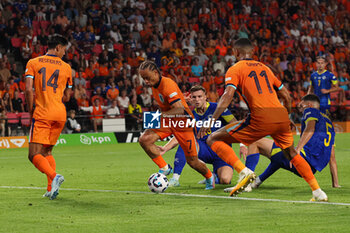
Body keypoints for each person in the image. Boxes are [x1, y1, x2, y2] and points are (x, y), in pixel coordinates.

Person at [199, 38, 328, 201]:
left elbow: (227, 95)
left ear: (235, 52)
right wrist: (287, 116)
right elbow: (286, 96)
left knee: (213, 138)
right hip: (280, 116)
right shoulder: (266, 68)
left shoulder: (235, 69)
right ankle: (318, 191)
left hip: (260, 117)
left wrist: (211, 120)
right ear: (252, 52)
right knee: (292, 153)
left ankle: (244, 172)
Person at [138, 60, 215, 190]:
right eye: (143, 78)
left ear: (156, 73)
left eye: (147, 78)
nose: (145, 81)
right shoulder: (155, 85)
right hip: (169, 120)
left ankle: (209, 176)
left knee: (192, 161)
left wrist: (159, 116)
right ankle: (165, 168)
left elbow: (179, 110)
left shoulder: (167, 84)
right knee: (144, 139)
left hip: (183, 123)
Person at [242, 94, 337, 196]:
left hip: (303, 160)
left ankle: (245, 183)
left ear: (309, 104)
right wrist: (335, 183)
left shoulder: (310, 110)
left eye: (302, 102)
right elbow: (332, 156)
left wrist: (298, 150)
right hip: (311, 168)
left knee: (255, 142)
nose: (299, 104)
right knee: (280, 154)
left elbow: (310, 129)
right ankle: (257, 181)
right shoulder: (328, 122)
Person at [157, 85, 238, 187]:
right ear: (191, 98)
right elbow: (180, 135)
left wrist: (241, 144)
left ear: (205, 97)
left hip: (221, 151)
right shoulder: (188, 114)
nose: (197, 100)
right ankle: (175, 178)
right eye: (194, 97)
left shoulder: (218, 108)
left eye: (200, 96)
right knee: (185, 141)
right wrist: (165, 148)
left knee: (225, 180)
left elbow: (235, 125)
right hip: (203, 150)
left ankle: (213, 176)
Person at [24, 35, 72, 200]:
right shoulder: (67, 68)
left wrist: (31, 110)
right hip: (60, 114)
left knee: (33, 154)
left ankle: (54, 176)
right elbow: (67, 96)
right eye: (64, 50)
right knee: (47, 151)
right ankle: (51, 188)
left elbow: (29, 89)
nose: (64, 53)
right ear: (58, 47)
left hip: (43, 112)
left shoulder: (33, 63)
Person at [308, 55, 340, 188]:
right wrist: (307, 98)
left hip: (325, 108)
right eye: (318, 63)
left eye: (322, 63)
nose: (320, 65)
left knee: (328, 143)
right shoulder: (313, 75)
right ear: (316, 64)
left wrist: (328, 90)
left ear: (325, 64)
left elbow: (338, 87)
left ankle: (335, 183)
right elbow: (310, 88)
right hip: (315, 107)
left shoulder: (330, 75)